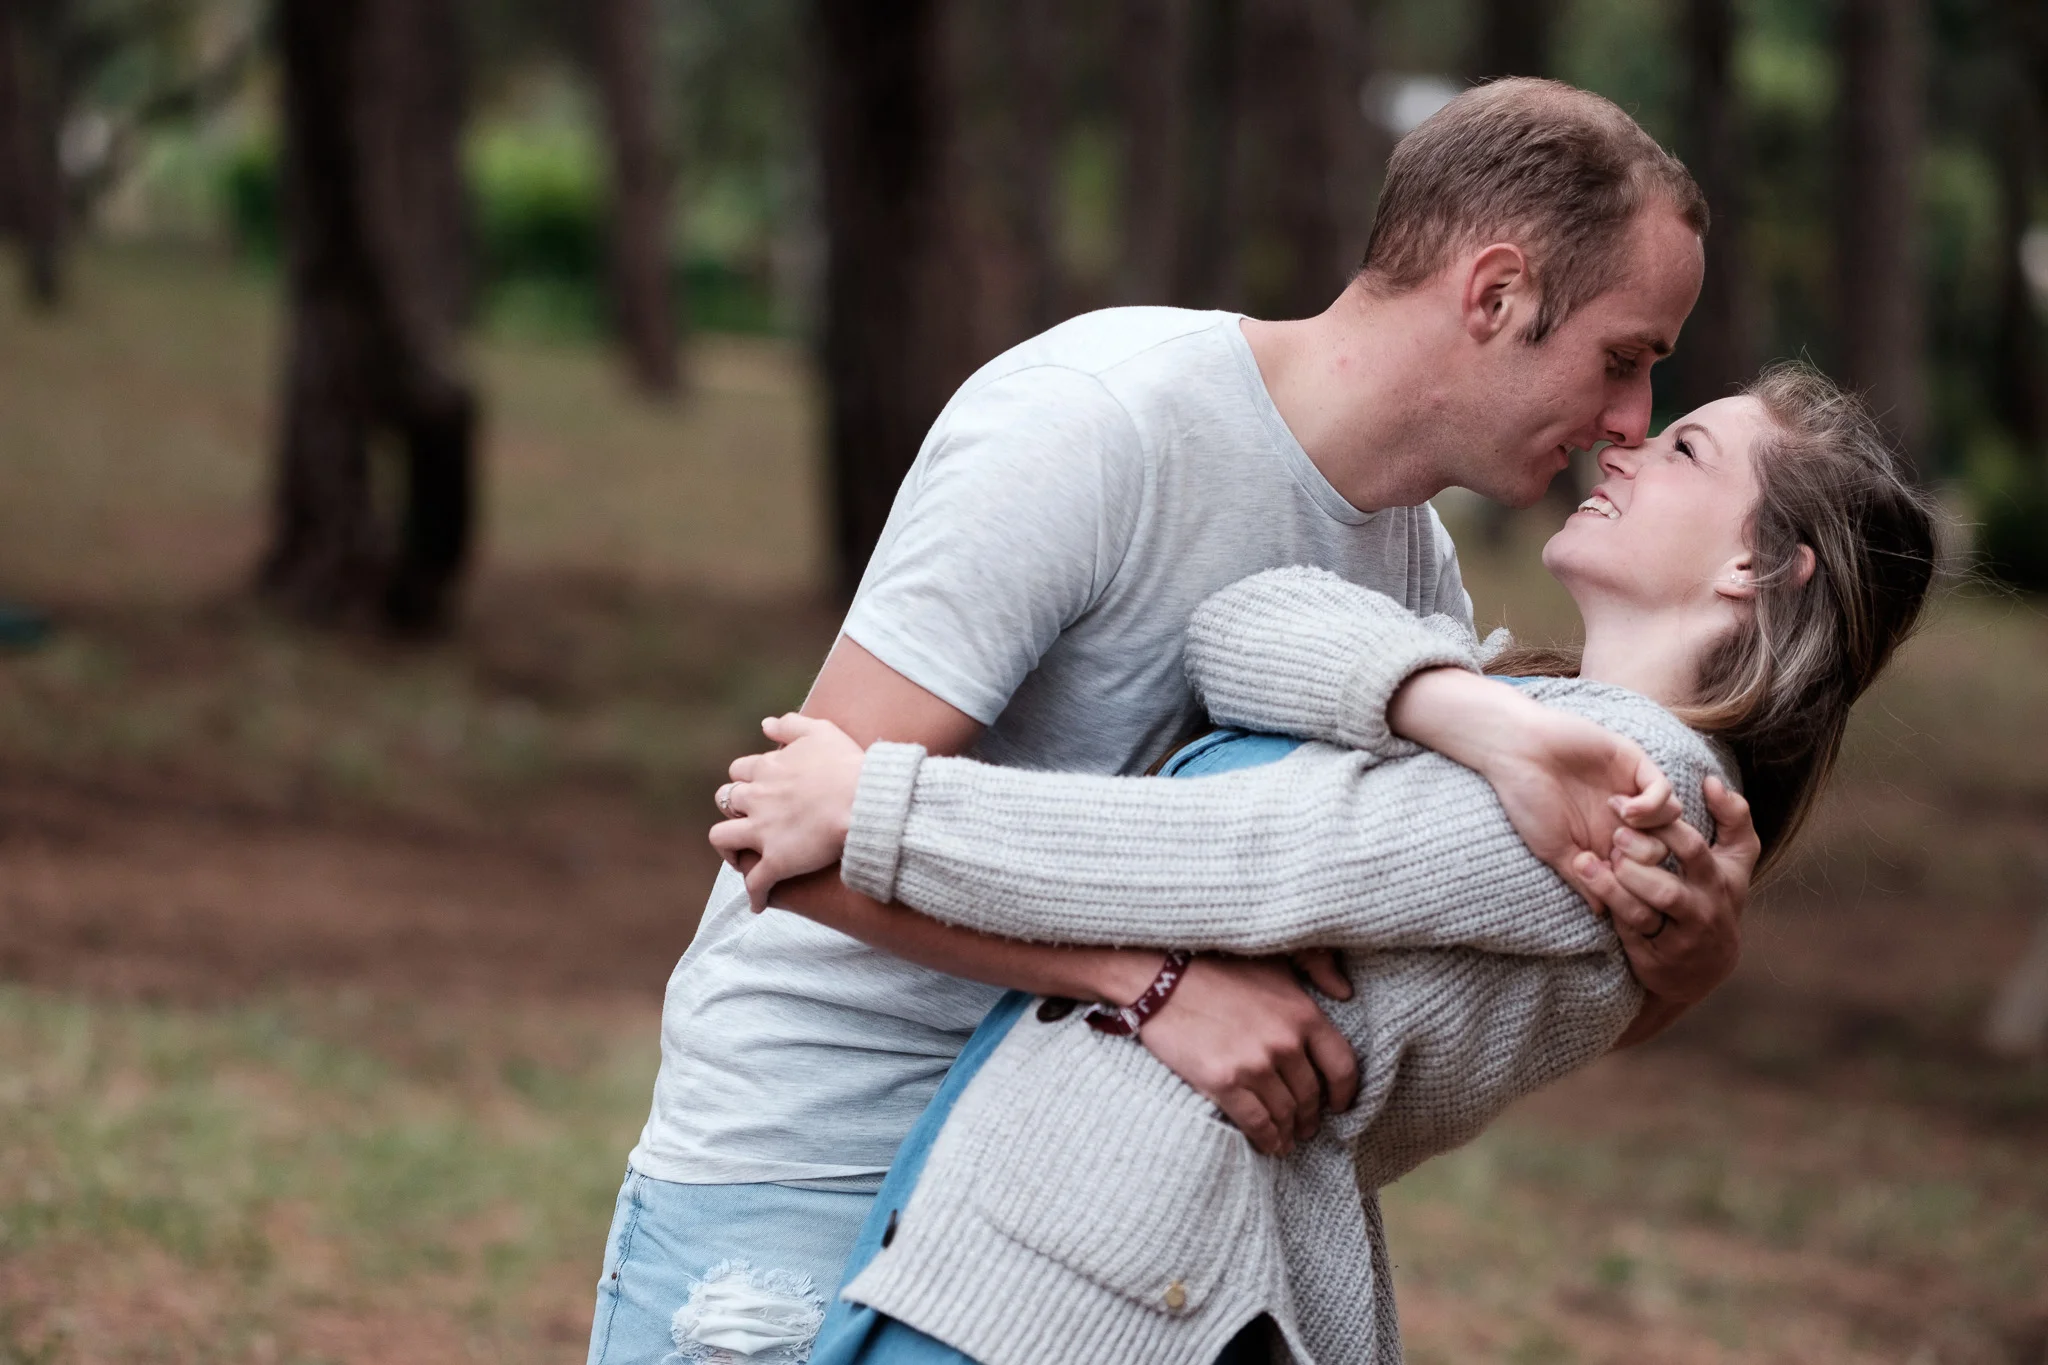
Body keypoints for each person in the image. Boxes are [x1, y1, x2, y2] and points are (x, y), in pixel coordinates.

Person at [586, 79, 1748, 1365]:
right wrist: (1140, 985)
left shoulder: (1411, 581)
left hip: (1054, 1227)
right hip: (806, 1169)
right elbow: (786, 839)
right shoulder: (1100, 420)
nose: (1628, 423)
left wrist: (1676, 967)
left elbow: (1429, 1017)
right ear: (1495, 294)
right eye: (1624, 359)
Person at [711, 364, 1942, 1365]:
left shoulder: (1640, 798)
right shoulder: (1524, 710)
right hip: (1052, 1243)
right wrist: (1458, 708)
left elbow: (1238, 857)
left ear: (1754, 567)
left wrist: (875, 808)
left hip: (1093, 1286)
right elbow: (1239, 622)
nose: (1623, 446)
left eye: (1683, 451)